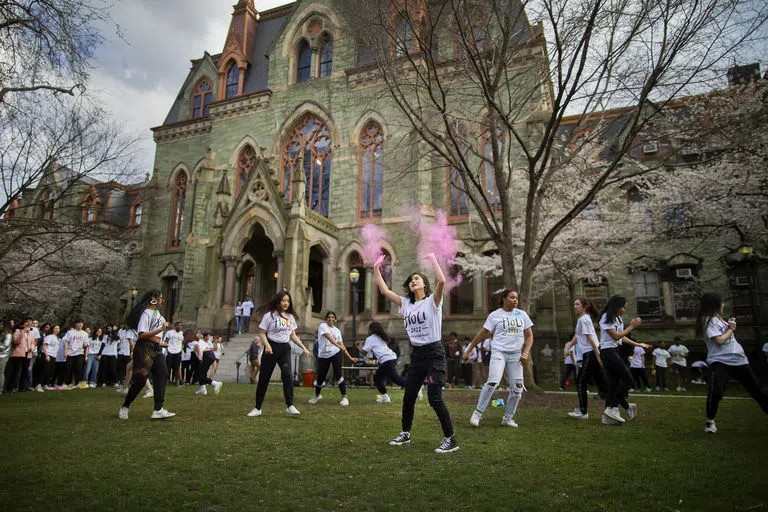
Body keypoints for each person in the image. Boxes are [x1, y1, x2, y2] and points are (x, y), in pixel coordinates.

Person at [374, 253, 459, 454]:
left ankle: (451, 439)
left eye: (417, 279)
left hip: (434, 352)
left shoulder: (432, 301)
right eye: (411, 280)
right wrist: (375, 269)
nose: (413, 281)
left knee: (434, 397)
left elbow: (442, 280)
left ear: (424, 284)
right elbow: (385, 291)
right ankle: (405, 433)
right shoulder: (406, 304)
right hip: (418, 354)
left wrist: (432, 259)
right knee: (409, 396)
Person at [696, 292, 768, 433]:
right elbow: (720, 340)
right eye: (721, 302)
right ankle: (710, 421)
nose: (723, 305)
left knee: (756, 390)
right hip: (720, 361)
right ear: (714, 304)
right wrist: (731, 328)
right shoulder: (706, 320)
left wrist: (729, 325)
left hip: (738, 359)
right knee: (717, 392)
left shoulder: (720, 319)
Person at [463, 289, 533, 428]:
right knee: (493, 382)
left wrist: (525, 354)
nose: (515, 300)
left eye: (517, 298)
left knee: (517, 388)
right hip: (499, 352)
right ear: (504, 299)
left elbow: (530, 336)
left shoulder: (522, 315)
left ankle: (508, 418)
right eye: (512, 297)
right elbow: (482, 333)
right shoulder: (495, 315)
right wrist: (468, 350)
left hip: (516, 355)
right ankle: (478, 413)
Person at [247, 291, 310, 417]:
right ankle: (257, 408)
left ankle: (290, 405)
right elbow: (262, 333)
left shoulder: (290, 317)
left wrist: (303, 347)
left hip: (285, 348)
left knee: (287, 376)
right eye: (283, 300)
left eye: (288, 301)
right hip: (271, 348)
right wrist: (267, 345)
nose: (286, 303)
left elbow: (292, 335)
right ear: (278, 301)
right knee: (264, 378)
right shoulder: (269, 315)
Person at [118, 289, 175, 420]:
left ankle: (158, 409)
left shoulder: (160, 317)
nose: (162, 300)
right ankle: (125, 406)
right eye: (160, 298)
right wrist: (160, 329)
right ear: (153, 300)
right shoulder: (146, 314)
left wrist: (160, 344)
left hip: (156, 349)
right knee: (140, 379)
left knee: (162, 373)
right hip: (144, 349)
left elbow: (156, 338)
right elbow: (142, 335)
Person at [599, 296, 650, 424]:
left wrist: (638, 344)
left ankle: (608, 416)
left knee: (614, 383)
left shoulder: (618, 319)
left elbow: (622, 338)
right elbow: (615, 336)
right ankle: (613, 408)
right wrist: (631, 326)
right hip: (608, 352)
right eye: (622, 307)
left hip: (614, 350)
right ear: (616, 306)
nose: (624, 310)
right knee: (628, 379)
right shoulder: (606, 317)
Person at [568, 298, 607, 420]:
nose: (574, 306)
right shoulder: (583, 319)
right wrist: (569, 346)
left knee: (580, 382)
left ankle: (583, 412)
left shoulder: (584, 319)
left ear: (584, 307)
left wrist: (597, 355)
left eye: (577, 304)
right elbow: (578, 335)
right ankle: (624, 405)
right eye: (574, 304)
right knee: (601, 383)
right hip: (589, 353)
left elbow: (590, 338)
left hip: (591, 353)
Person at [309, 311, 357, 406]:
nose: (330, 319)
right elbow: (329, 338)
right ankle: (317, 395)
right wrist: (339, 346)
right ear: (326, 319)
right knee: (321, 377)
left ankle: (344, 398)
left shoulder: (337, 331)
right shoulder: (323, 326)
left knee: (338, 373)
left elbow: (341, 345)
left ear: (335, 319)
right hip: (323, 355)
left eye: (332, 317)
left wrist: (350, 357)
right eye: (329, 317)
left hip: (335, 353)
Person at [360, 321, 408, 403]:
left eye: (368, 329)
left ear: (371, 330)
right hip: (389, 359)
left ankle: (416, 386)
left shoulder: (370, 338)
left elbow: (364, 352)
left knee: (397, 380)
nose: (367, 331)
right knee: (378, 377)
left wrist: (358, 346)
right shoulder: (380, 337)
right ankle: (385, 397)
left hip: (387, 360)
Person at [63, 320, 89, 389]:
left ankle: (78, 383)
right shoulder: (70, 332)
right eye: (78, 323)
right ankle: (67, 383)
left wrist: (86, 355)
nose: (80, 324)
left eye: (81, 323)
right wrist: (65, 352)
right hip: (70, 353)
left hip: (80, 352)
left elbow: (86, 345)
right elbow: (66, 342)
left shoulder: (84, 334)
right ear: (75, 324)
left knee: (78, 368)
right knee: (69, 368)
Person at [163, 322, 184, 386]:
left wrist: (181, 349)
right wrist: (167, 349)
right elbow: (166, 341)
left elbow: (183, 343)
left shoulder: (182, 334)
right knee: (167, 366)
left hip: (178, 352)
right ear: (175, 326)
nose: (179, 327)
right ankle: (166, 380)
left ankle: (177, 381)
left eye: (181, 326)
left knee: (177, 367)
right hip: (170, 351)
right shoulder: (170, 332)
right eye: (178, 325)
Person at [42, 326, 60, 390]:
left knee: (51, 371)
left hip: (54, 356)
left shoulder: (57, 338)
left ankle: (46, 384)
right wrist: (46, 355)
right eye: (55, 328)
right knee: (45, 370)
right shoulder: (49, 337)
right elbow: (44, 346)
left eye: (58, 328)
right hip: (48, 354)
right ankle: (40, 384)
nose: (57, 330)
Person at [0, 320, 12, 393]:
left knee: (0, 372)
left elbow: (5, 346)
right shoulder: (1, 334)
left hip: (2, 356)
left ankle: (0, 389)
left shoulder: (8, 335)